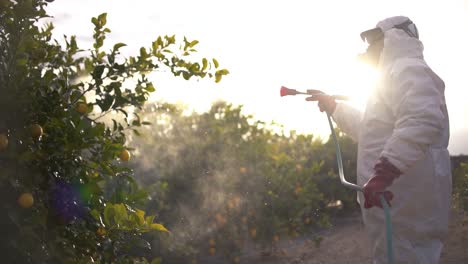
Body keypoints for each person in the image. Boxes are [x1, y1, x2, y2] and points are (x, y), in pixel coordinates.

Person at [306, 16, 451, 263]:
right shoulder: (390, 78)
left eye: (372, 41)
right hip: (393, 202)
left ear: (394, 38)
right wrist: (335, 108)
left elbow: (421, 121)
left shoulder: (408, 68)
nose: (367, 49)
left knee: (409, 255)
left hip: (404, 200)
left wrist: (384, 174)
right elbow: (371, 131)